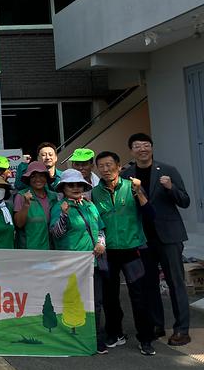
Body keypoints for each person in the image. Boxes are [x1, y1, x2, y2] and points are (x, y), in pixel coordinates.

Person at [122, 132, 192, 346]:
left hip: (169, 236)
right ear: (131, 150)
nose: (142, 149)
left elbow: (185, 201)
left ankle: (182, 329)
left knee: (175, 282)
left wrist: (171, 188)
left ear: (152, 147)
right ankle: (156, 325)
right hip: (142, 237)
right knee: (149, 283)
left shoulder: (168, 170)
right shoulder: (127, 174)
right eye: (137, 146)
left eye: (146, 145)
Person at [91, 151, 156, 356]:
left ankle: (145, 338)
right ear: (97, 169)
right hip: (108, 252)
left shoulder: (131, 186)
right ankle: (114, 333)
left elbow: (150, 214)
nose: (106, 169)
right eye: (101, 166)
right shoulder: (94, 193)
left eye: (109, 164)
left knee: (138, 295)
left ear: (119, 166)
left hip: (132, 248)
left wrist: (140, 193)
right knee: (110, 297)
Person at [49, 169, 108, 354]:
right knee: (72, 301)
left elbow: (100, 229)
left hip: (93, 262)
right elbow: (56, 233)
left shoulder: (90, 206)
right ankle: (72, 338)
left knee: (96, 302)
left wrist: (101, 243)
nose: (75, 188)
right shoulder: (59, 207)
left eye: (78, 185)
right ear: (63, 188)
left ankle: (96, 338)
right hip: (71, 264)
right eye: (71, 185)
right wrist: (64, 215)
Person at [13, 162, 56, 250]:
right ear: (28, 179)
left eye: (41, 176)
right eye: (33, 176)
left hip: (51, 250)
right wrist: (26, 205)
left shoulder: (53, 197)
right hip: (29, 251)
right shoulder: (21, 196)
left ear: (46, 178)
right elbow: (19, 224)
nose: (38, 179)